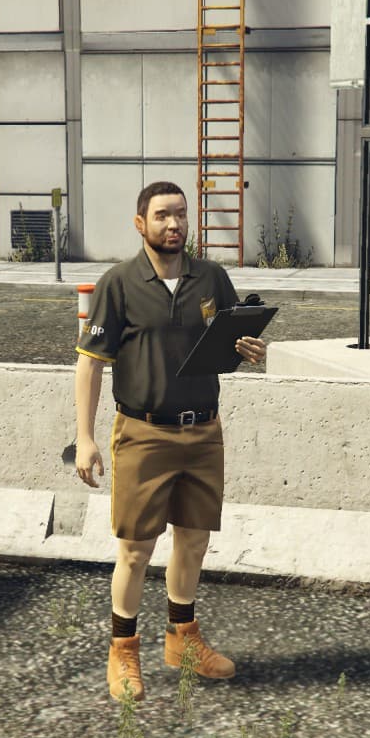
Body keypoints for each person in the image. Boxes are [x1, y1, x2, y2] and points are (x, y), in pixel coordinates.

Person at [73, 180, 267, 703]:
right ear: (141, 224)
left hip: (203, 431)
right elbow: (90, 363)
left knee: (194, 539)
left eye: (180, 214)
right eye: (162, 215)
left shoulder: (212, 278)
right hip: (144, 434)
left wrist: (249, 348)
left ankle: (182, 639)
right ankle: (123, 650)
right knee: (136, 550)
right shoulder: (118, 284)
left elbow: (228, 341)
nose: (174, 224)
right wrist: (84, 437)